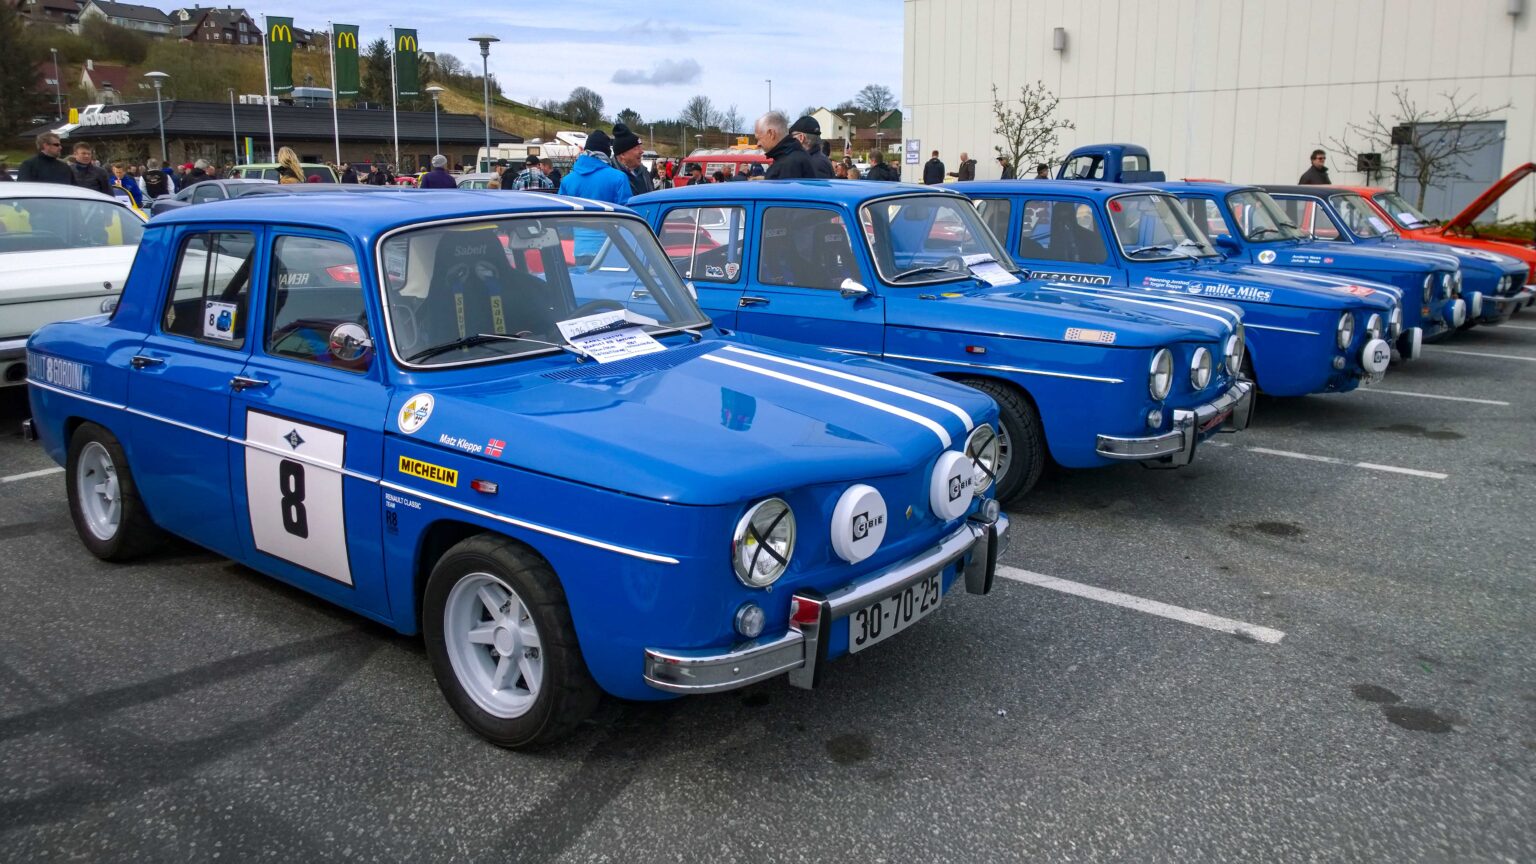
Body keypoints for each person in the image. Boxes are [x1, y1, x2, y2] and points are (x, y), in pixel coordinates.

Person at [559, 129, 631, 204]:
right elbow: (628, 211)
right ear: (607, 152)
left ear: (585, 150)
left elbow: (560, 211)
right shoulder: (619, 178)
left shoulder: (567, 181)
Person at [757, 111, 815, 179]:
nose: (758, 144)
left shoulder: (787, 165)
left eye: (759, 138)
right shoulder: (794, 156)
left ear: (771, 133)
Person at [612, 123, 654, 196]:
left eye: (640, 147)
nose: (641, 151)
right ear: (622, 154)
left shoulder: (644, 172)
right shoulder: (612, 177)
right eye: (636, 148)